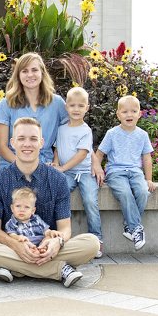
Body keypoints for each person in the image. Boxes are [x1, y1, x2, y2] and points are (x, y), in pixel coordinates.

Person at [0, 117, 99, 287]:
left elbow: (65, 229)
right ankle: (59, 270)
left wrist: (56, 243)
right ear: (13, 143)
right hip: (12, 247)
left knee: (92, 243)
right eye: (21, 139)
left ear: (42, 143)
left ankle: (12, 268)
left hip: (46, 247)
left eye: (33, 139)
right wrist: (16, 246)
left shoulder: (58, 179)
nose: (27, 144)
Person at [0, 53, 105, 183]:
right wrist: (24, 166)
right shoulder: (6, 103)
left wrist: (95, 161)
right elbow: (2, 147)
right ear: (18, 75)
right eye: (25, 71)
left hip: (45, 164)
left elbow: (77, 131)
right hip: (13, 162)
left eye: (34, 70)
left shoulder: (56, 103)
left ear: (42, 72)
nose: (30, 75)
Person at [48, 86, 103, 258]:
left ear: (87, 108)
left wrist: (62, 169)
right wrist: (56, 165)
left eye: (81, 106)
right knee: (57, 197)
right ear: (66, 107)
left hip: (85, 172)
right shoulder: (62, 128)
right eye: (72, 105)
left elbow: (82, 154)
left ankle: (97, 239)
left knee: (90, 201)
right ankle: (56, 236)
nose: (76, 109)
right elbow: (57, 149)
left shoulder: (85, 131)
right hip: (68, 174)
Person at [96, 95, 156, 250]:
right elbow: (99, 154)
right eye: (124, 112)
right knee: (125, 193)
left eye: (133, 111)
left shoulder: (142, 135)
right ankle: (136, 228)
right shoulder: (112, 134)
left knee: (143, 191)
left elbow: (147, 159)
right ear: (118, 114)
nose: (129, 115)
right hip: (116, 172)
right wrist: (98, 171)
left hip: (135, 172)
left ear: (139, 114)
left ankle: (129, 226)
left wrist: (148, 179)